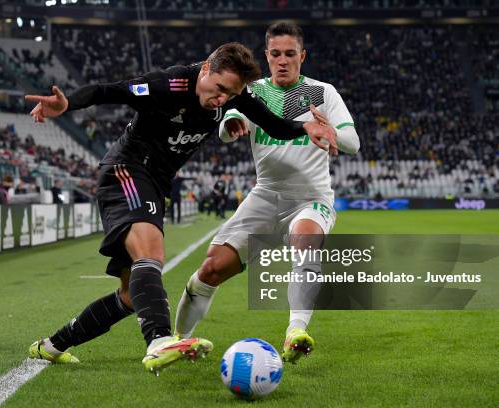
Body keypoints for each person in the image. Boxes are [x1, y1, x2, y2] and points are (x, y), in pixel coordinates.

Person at [24, 42, 336, 374]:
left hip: (156, 184)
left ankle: (50, 346)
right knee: (151, 252)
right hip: (126, 171)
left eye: (230, 95)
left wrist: (305, 127)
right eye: (218, 90)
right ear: (205, 69)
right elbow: (108, 91)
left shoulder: (232, 94)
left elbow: (272, 124)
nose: (222, 100)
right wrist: (68, 103)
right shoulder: (167, 85)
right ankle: (159, 342)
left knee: (132, 295)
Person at [175, 23, 360, 364]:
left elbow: (353, 143)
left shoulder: (323, 93)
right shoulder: (252, 91)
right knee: (212, 269)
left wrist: (328, 128)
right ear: (267, 56)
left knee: (306, 241)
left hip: (311, 198)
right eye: (276, 54)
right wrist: (230, 123)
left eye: (290, 54)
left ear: (302, 56)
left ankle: (295, 333)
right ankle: (178, 342)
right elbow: (227, 128)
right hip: (264, 197)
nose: (283, 60)